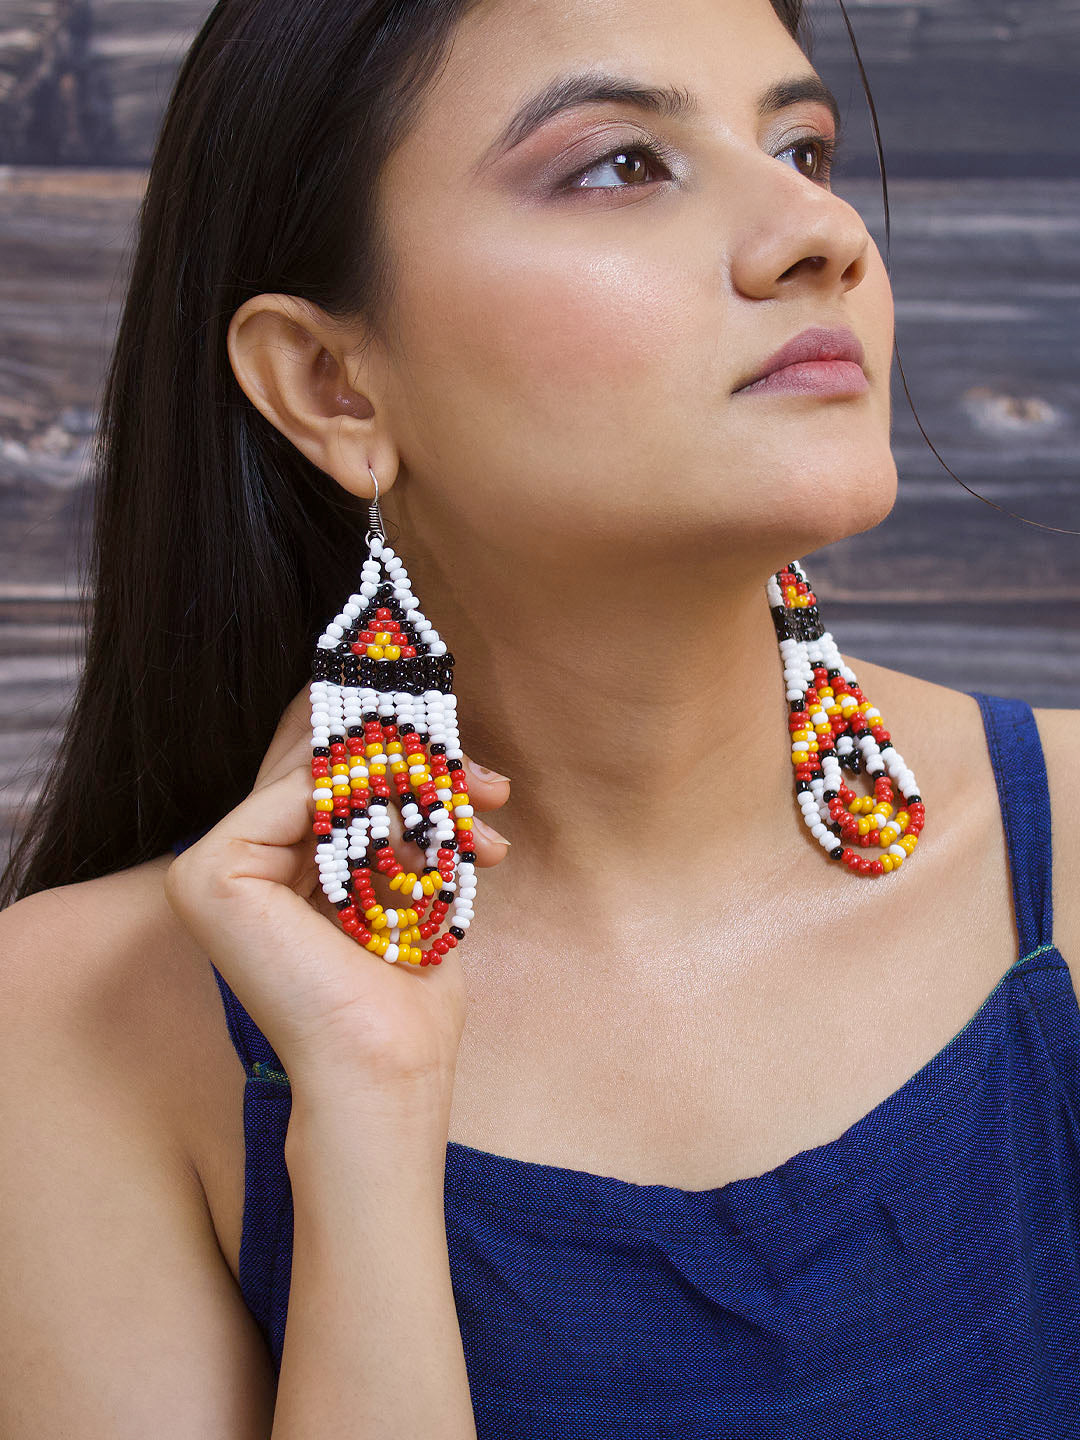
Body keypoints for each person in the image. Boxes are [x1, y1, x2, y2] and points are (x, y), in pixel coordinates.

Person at [1, 0, 1077, 1433]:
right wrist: (370, 1121)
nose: (820, 234)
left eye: (802, 145)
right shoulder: (68, 1026)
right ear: (332, 385)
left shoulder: (1065, 837)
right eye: (622, 165)